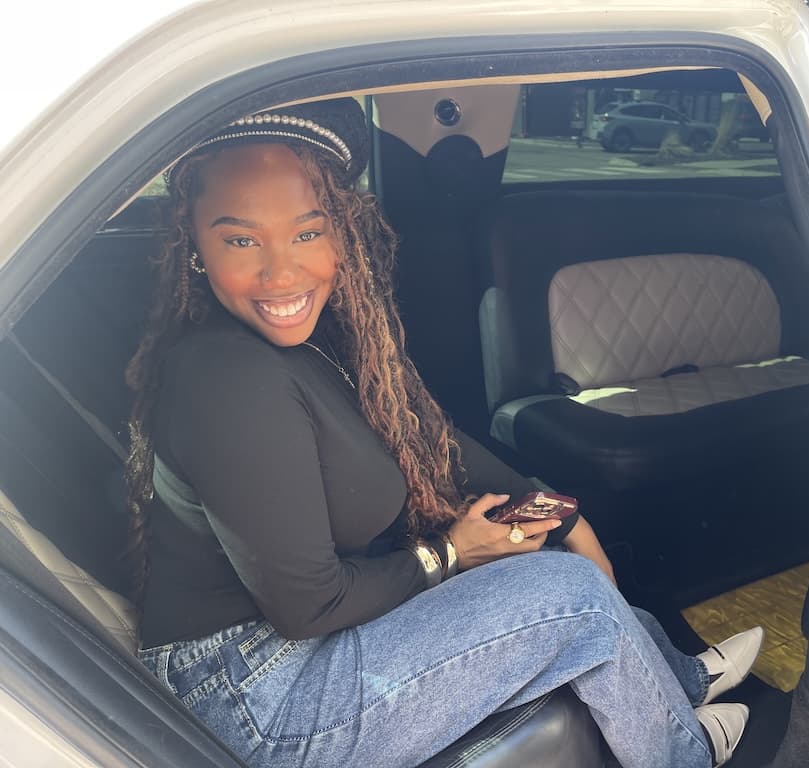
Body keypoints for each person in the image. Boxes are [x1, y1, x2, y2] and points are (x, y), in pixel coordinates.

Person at [125, 97, 764, 768]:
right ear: (192, 243)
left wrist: (560, 513)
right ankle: (685, 752)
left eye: (308, 233)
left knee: (545, 560)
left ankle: (680, 683)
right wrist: (450, 553)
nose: (282, 272)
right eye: (241, 240)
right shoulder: (226, 377)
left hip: (291, 654)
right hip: (254, 697)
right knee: (578, 601)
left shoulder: (317, 343)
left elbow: (432, 442)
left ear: (341, 232)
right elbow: (307, 607)